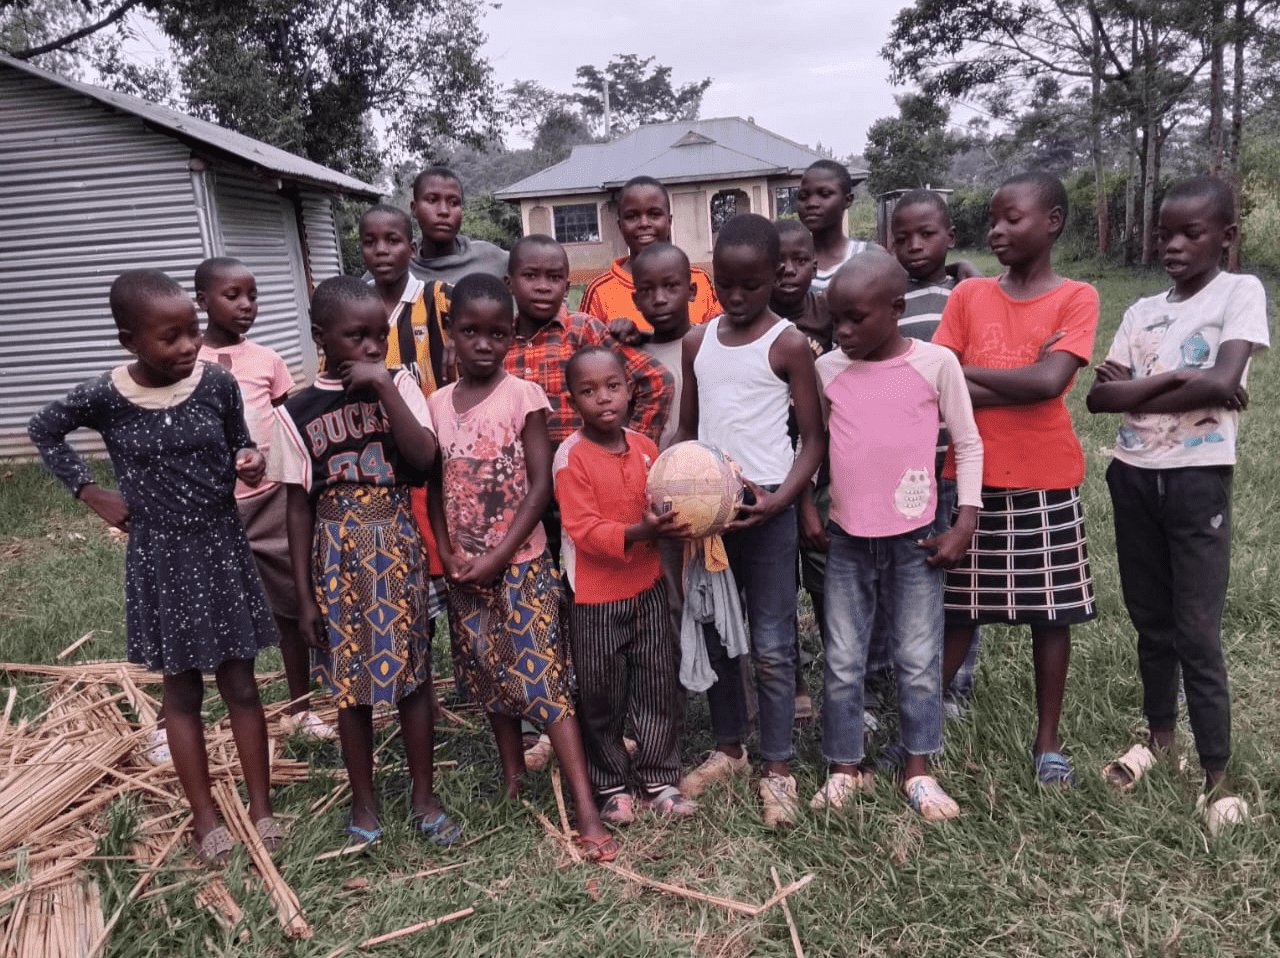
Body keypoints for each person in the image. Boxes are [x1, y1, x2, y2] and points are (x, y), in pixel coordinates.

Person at [29, 269, 279, 864]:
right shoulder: (106, 397)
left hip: (220, 546)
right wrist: (92, 493)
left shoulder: (216, 383)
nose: (188, 347)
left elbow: (241, 442)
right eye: (170, 339)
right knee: (183, 691)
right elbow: (44, 430)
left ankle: (263, 807)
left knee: (241, 684)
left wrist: (248, 462)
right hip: (161, 557)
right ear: (129, 339)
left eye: (192, 332)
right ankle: (204, 818)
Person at [1087, 175, 1267, 827]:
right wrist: (1182, 378)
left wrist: (1147, 385)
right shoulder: (1139, 313)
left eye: (1192, 233)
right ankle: (1160, 738)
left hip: (1197, 481)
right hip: (1132, 476)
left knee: (1196, 630)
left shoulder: (1240, 292)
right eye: (1166, 233)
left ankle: (1216, 771)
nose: (1175, 245)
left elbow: (1224, 379)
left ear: (1225, 237)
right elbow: (1098, 399)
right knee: (1150, 621)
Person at [426, 273, 617, 862]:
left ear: (511, 335)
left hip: (522, 564)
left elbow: (539, 488)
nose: (484, 344)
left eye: (497, 333)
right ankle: (514, 778)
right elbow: (434, 488)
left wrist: (499, 556)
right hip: (463, 570)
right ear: (449, 333)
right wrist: (449, 551)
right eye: (470, 332)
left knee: (544, 677)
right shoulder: (435, 405)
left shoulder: (523, 396)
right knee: (487, 672)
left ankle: (585, 805)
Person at [272, 276, 459, 848]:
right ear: (321, 336)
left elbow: (426, 461)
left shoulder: (402, 383)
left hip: (398, 545)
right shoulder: (297, 409)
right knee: (349, 687)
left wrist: (383, 386)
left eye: (380, 334)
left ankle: (424, 798)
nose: (373, 347)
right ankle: (363, 803)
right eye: (358, 337)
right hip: (336, 557)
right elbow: (298, 506)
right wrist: (304, 596)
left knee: (413, 676)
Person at [931, 171, 1099, 789]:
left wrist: (969, 379)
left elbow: (1051, 384)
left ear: (1051, 222)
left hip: (1046, 480)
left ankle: (1047, 741)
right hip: (970, 480)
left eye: (1013, 219)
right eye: (993, 221)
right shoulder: (968, 297)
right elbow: (940, 380)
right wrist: (1015, 378)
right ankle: (923, 732)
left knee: (1051, 614)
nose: (997, 231)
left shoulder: (1076, 297)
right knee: (957, 610)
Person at [813, 250, 983, 819]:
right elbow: (810, 446)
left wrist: (965, 520)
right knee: (841, 657)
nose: (842, 331)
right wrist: (806, 510)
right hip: (846, 537)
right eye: (835, 319)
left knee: (916, 655)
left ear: (896, 308)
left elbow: (968, 442)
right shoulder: (827, 370)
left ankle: (918, 769)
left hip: (918, 538)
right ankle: (844, 769)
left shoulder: (936, 364)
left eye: (856, 318)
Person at [676, 214, 826, 827]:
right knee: (716, 633)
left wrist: (780, 501)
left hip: (766, 510)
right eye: (726, 284)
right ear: (712, 276)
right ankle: (729, 747)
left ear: (775, 277)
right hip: (710, 511)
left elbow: (813, 441)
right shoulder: (697, 342)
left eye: (751, 285)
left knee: (770, 639)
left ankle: (779, 766)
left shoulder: (788, 344)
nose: (737, 297)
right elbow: (688, 430)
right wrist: (676, 487)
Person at [554, 345, 695, 825]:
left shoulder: (646, 449)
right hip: (594, 597)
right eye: (588, 391)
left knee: (657, 680)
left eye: (613, 387)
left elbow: (663, 509)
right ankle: (611, 784)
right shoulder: (569, 458)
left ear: (629, 390)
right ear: (572, 401)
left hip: (648, 588)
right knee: (601, 692)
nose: (604, 399)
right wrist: (639, 533)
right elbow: (584, 530)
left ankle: (660, 777)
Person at [880, 190, 984, 722]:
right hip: (905, 467)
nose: (914, 246)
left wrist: (970, 276)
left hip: (952, 458)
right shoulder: (889, 298)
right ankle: (908, 675)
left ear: (950, 237)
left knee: (960, 576)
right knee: (912, 573)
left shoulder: (964, 294)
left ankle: (955, 684)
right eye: (902, 238)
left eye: (926, 235)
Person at [359, 204, 454, 657]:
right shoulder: (352, 306)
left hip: (446, 450)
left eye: (392, 241)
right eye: (370, 242)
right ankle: (420, 679)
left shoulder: (438, 298)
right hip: (390, 466)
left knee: (450, 560)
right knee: (411, 570)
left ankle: (469, 669)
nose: (381, 251)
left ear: (411, 248)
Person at [774, 219, 831, 722]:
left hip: (825, 469)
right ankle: (791, 681)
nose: (788, 271)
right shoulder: (754, 323)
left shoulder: (830, 316)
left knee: (824, 576)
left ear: (816, 264)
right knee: (777, 588)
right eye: (778, 263)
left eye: (799, 260)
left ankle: (841, 676)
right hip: (772, 468)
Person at [580, 175, 720, 333]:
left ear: (669, 221)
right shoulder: (600, 291)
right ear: (620, 225)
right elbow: (585, 347)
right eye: (632, 216)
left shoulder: (698, 280)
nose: (644, 224)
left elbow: (717, 337)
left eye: (654, 214)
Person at [409, 166, 507, 285]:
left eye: (453, 203)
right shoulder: (400, 265)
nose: (444, 211)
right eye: (432, 200)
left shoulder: (492, 258)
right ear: (414, 209)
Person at [797, 160, 874, 293]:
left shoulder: (870, 257)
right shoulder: (787, 263)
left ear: (848, 200)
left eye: (824, 194)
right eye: (803, 196)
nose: (811, 203)